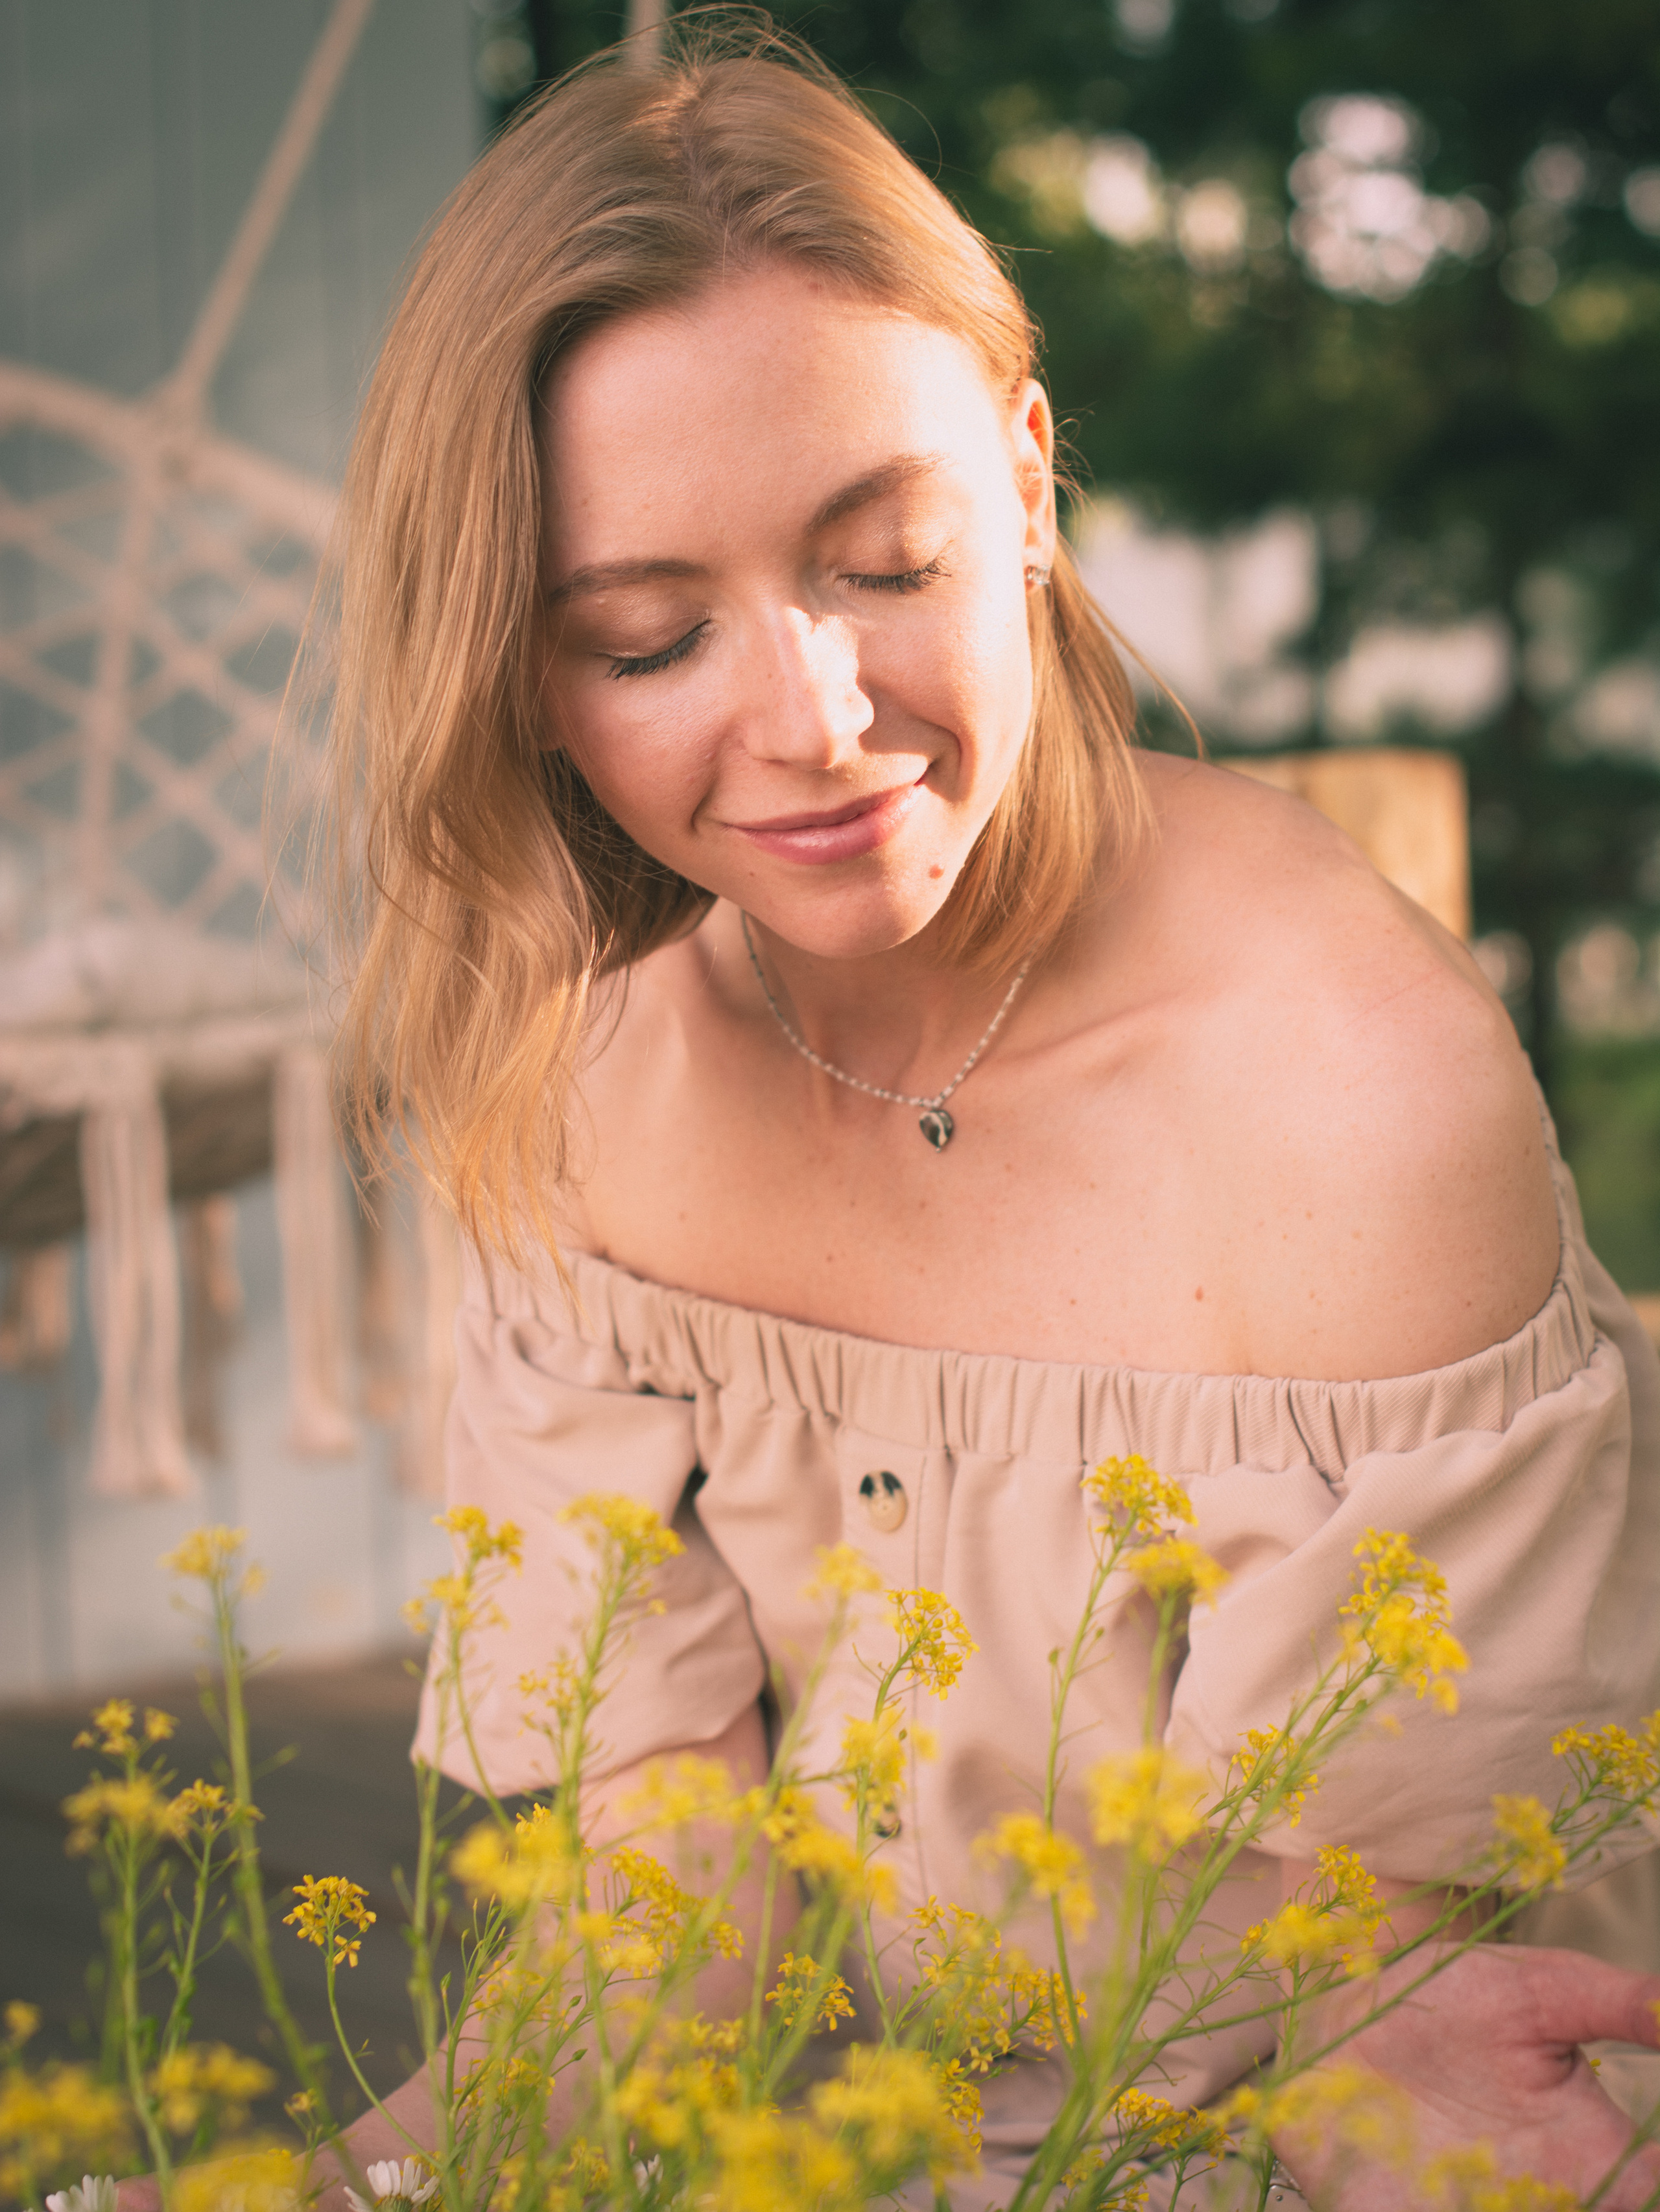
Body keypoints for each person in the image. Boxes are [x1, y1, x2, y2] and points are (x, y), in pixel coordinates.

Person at [313, 18, 1660, 2206]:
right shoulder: (577, 1075)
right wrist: (347, 2185)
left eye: (886, 557)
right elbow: (677, 1914)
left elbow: (1328, 2004)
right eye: (651, 637)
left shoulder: (1348, 1080)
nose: (818, 724)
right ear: (532, 685)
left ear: (1026, 484)